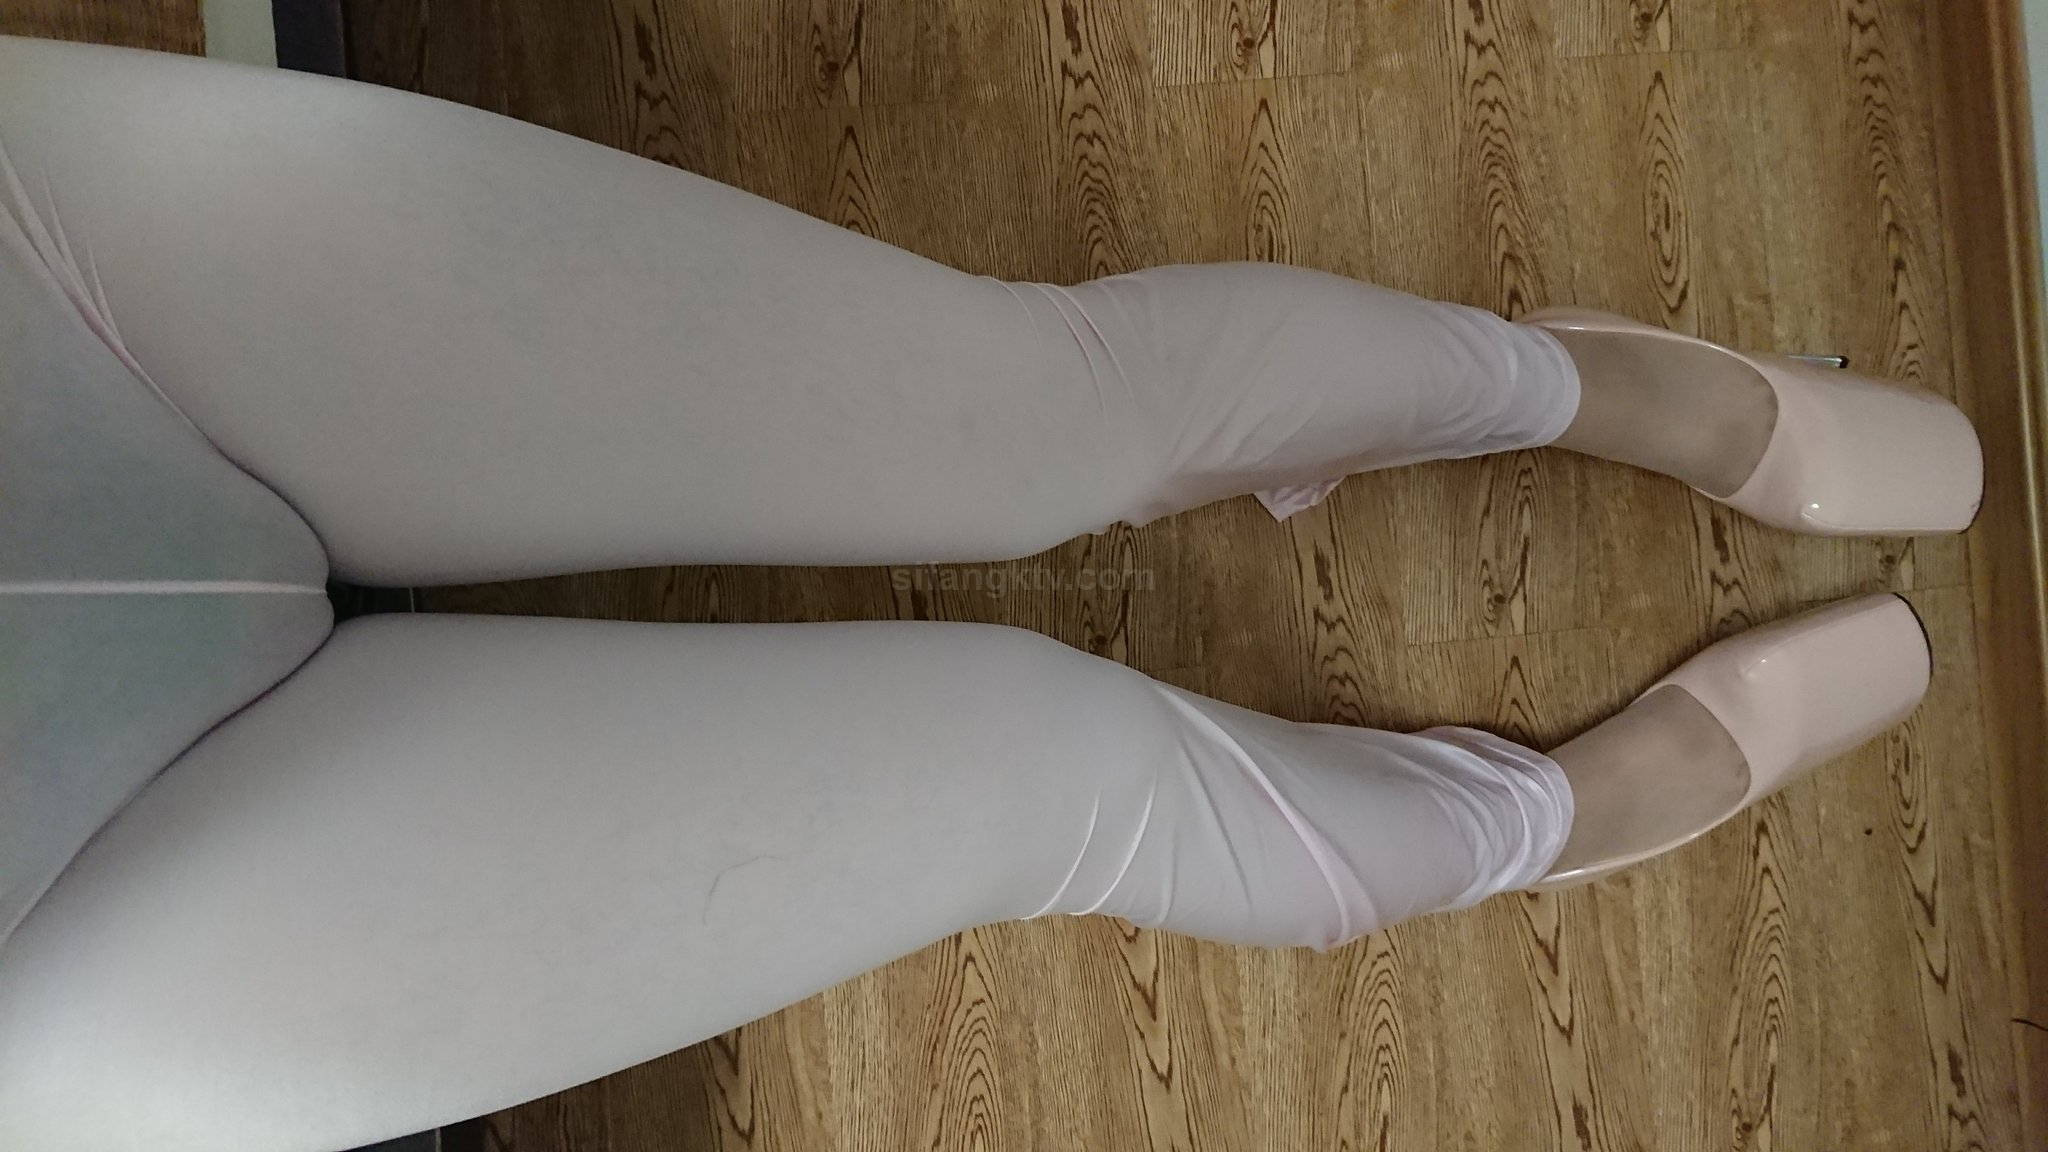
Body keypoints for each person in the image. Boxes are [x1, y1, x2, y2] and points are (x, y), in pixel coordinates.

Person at [0, 33, 1982, 1152]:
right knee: (1050, 765)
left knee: (1043, 415)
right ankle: (1522, 823)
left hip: (46, 306)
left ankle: (1576, 377)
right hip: (60, 945)